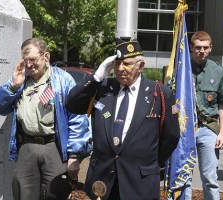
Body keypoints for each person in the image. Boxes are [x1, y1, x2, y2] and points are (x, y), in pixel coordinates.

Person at [65, 38, 180, 200]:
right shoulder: (104, 89)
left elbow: (171, 137)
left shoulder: (160, 93)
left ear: (140, 66)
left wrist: (146, 161)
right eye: (117, 63)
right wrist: (97, 76)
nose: (120, 68)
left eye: (127, 64)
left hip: (139, 181)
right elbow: (72, 104)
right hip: (103, 181)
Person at [0, 38, 92, 200]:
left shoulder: (63, 80)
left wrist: (74, 155)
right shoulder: (20, 79)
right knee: (23, 192)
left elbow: (77, 118)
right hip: (27, 146)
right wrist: (13, 87)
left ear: (46, 57)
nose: (29, 64)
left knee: (56, 192)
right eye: (25, 60)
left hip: (54, 147)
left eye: (33, 59)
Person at [185, 31, 223, 200]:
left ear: (210, 48)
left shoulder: (218, 71)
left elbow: (222, 105)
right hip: (185, 129)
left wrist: (222, 134)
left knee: (210, 178)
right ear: (191, 47)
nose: (201, 51)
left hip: (209, 129)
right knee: (184, 177)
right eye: (198, 47)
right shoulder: (182, 69)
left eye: (205, 47)